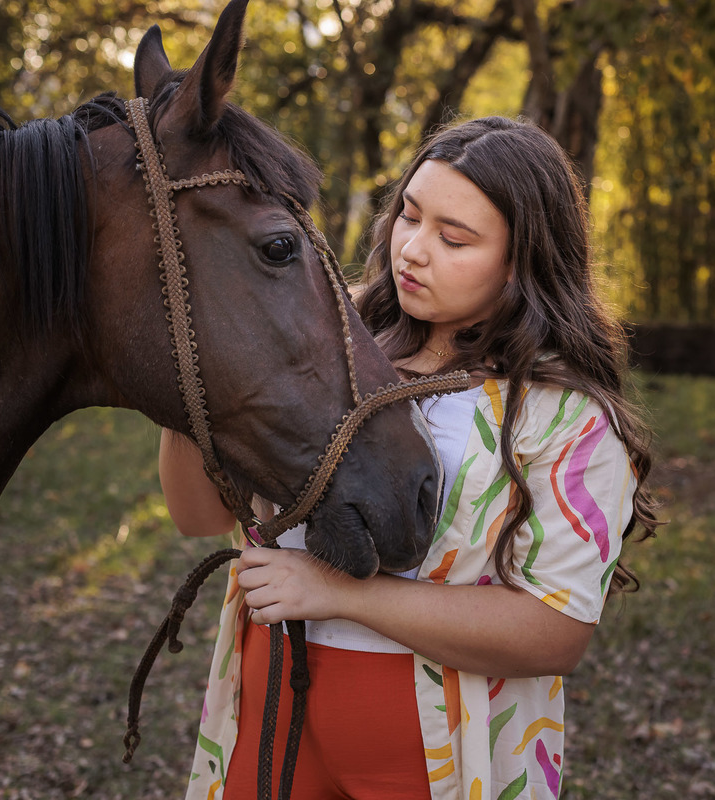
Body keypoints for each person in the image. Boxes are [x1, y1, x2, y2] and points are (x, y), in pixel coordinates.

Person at [161, 115, 659, 800]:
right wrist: (198, 377)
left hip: (438, 748)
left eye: (454, 238)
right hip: (271, 698)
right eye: (410, 216)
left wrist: (338, 591)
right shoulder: (325, 337)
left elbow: (554, 633)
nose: (413, 250)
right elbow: (196, 516)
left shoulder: (564, 414)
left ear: (522, 261)